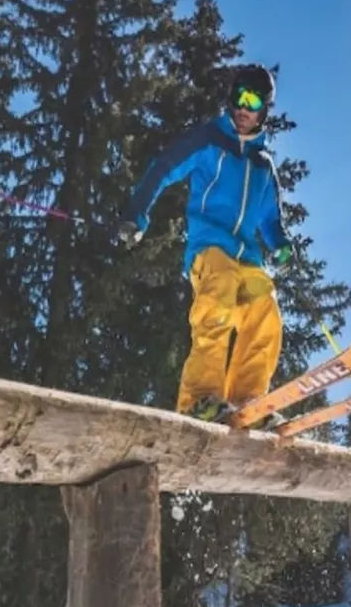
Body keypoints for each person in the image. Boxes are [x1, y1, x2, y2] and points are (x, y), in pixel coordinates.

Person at [118, 63, 294, 425]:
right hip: (209, 249)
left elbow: (270, 218)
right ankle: (201, 399)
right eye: (238, 97)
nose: (243, 108)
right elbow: (164, 166)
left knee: (265, 310)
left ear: (265, 109)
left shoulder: (263, 166)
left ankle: (249, 401)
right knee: (219, 296)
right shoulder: (209, 140)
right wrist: (137, 212)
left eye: (253, 101)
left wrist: (279, 244)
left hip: (248, 256)